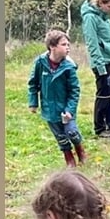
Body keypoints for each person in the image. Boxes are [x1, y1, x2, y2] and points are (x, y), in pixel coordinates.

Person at [27, 30, 84, 168]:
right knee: (60, 136)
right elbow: (33, 83)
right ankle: (69, 158)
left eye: (68, 44)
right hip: (49, 109)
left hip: (65, 107)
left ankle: (80, 150)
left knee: (72, 132)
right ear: (52, 46)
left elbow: (74, 90)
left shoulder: (69, 67)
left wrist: (70, 110)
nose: (68, 48)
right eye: (64, 44)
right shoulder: (40, 63)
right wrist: (33, 102)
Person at [80, 0, 110, 138]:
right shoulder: (90, 18)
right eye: (109, 6)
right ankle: (99, 128)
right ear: (101, 3)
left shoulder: (106, 20)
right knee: (103, 95)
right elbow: (92, 44)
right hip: (101, 62)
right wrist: (100, 65)